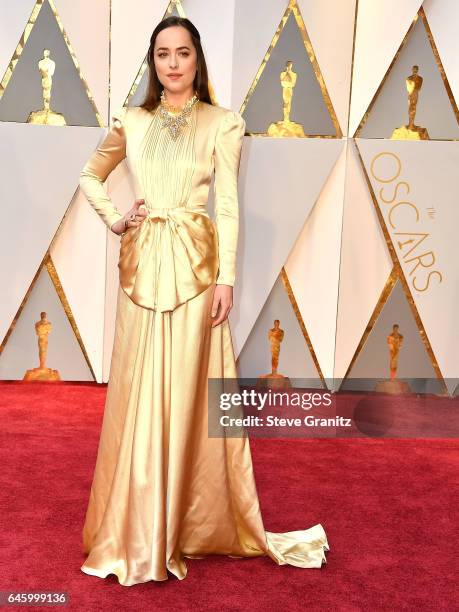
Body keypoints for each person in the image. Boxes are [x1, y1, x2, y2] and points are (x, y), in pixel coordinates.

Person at [78, 15, 329, 586]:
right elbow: (91, 175)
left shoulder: (222, 123)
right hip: (142, 268)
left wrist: (228, 278)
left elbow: (229, 206)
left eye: (183, 52)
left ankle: (180, 524)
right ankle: (136, 527)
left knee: (187, 395)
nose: (172, 63)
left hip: (196, 271)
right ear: (153, 61)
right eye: (162, 53)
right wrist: (118, 219)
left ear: (197, 59)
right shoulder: (132, 121)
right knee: (140, 393)